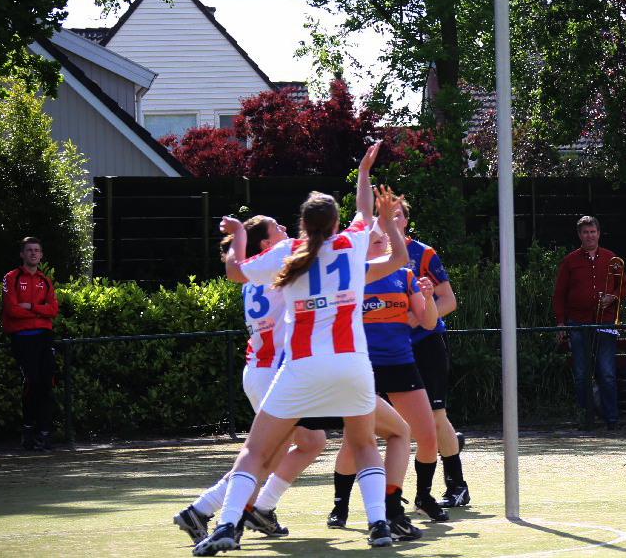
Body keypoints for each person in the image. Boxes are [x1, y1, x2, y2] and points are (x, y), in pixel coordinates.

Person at [191, 145, 407, 555]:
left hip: (302, 367)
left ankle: (227, 526)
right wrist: (364, 172)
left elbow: (235, 271)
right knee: (365, 446)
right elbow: (383, 236)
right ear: (336, 222)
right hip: (351, 364)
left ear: (302, 224)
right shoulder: (352, 244)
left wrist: (238, 238)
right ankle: (378, 524)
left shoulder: (287, 253)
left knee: (256, 450)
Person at [174, 216, 328, 545]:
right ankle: (203, 510)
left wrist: (238, 237)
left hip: (261, 369)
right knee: (265, 457)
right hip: (276, 371)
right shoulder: (282, 262)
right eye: (277, 228)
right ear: (267, 244)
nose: (285, 230)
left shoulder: (255, 273)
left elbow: (240, 267)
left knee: (307, 443)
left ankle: (258, 509)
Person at [327, 223, 442, 539]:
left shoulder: (404, 276)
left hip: (401, 362)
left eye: (382, 238)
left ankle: (416, 499)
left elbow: (428, 322)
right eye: (372, 238)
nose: (379, 241)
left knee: (427, 435)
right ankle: (341, 505)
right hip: (363, 366)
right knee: (356, 440)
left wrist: (428, 297)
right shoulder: (351, 277)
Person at [396, 201, 471, 509]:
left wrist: (418, 317)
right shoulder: (368, 257)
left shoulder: (423, 254)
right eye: (384, 216)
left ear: (406, 220)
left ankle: (457, 486)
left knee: (435, 415)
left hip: (426, 343)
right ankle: (390, 493)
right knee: (391, 422)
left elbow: (449, 301)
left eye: (397, 215)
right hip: (390, 348)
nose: (390, 220)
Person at [553, 216, 626, 430]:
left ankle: (611, 419)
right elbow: (559, 294)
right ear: (579, 235)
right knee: (581, 374)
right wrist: (560, 322)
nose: (590, 236)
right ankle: (586, 419)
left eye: (592, 231)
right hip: (578, 322)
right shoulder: (569, 261)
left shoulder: (612, 258)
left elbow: (624, 286)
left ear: (598, 233)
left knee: (607, 372)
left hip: (605, 320)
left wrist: (613, 297)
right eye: (585, 232)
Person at [2, 237, 59, 452]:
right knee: (31, 383)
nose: (33, 253)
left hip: (44, 336)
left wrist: (31, 307)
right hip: (23, 338)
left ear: (41, 254)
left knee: (46, 383)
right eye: (29, 250)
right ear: (22, 254)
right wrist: (39, 312)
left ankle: (43, 433)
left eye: (36, 250)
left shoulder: (45, 281)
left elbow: (53, 310)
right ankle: (28, 430)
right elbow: (12, 310)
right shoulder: (12, 277)